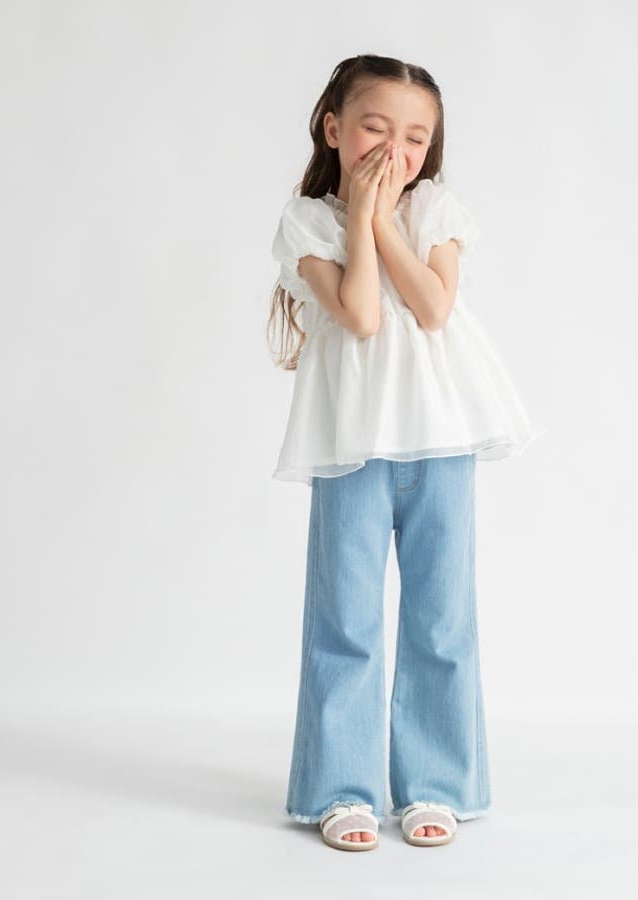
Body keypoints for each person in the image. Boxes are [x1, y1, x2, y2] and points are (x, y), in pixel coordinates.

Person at [266, 54, 548, 850]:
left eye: (416, 138)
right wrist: (359, 217)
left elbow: (432, 307)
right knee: (345, 616)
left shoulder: (433, 210)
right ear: (334, 129)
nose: (395, 151)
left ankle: (436, 783)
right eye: (375, 129)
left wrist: (386, 220)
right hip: (352, 445)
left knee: (441, 615)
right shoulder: (308, 223)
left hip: (440, 437)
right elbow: (360, 315)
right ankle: (342, 788)